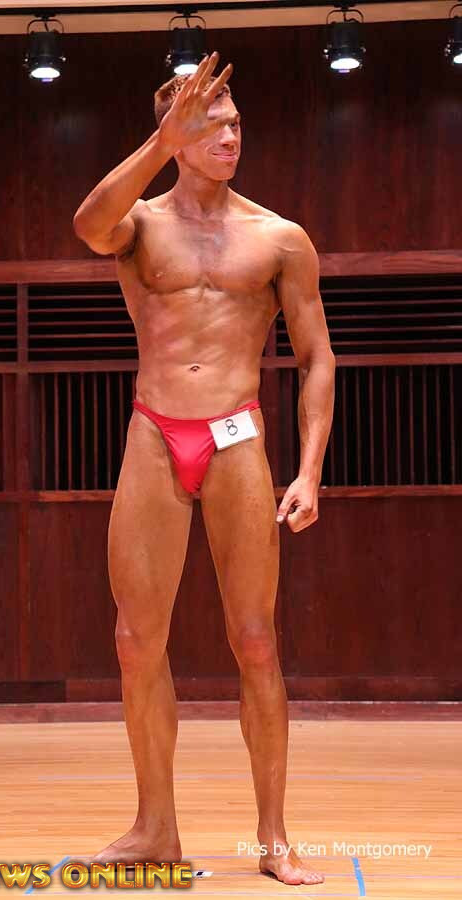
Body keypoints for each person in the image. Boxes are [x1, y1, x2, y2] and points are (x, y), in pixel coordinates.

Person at [72, 50, 335, 886]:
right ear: (175, 135)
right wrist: (159, 142)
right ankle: (156, 830)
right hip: (155, 433)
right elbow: (87, 225)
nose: (230, 137)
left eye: (235, 124)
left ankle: (274, 836)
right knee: (135, 640)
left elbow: (316, 357)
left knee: (255, 639)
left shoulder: (279, 237)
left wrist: (310, 470)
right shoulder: (140, 224)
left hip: (236, 439)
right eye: (211, 125)